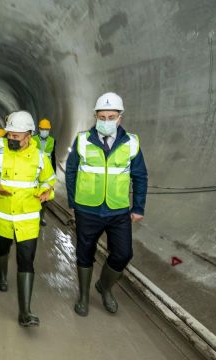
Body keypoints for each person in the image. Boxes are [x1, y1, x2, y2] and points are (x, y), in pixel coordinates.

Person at [65, 92, 148, 317]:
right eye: (102, 117)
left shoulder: (131, 143)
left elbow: (140, 175)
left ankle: (104, 286)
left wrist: (138, 207)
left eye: (111, 117)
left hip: (118, 209)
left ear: (120, 117)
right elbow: (71, 171)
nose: (106, 121)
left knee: (123, 254)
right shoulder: (83, 140)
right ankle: (83, 296)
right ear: (95, 117)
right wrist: (73, 202)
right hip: (87, 209)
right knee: (85, 253)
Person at [0, 111, 56, 327]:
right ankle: (1, 275)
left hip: (28, 219)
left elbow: (49, 181)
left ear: (29, 136)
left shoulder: (40, 158)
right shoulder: (0, 154)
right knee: (2, 248)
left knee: (26, 260)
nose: (11, 139)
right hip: (3, 217)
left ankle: (25, 312)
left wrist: (46, 193)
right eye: (9, 135)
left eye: (16, 136)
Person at [33, 118, 57, 226]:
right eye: (43, 129)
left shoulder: (52, 141)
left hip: (46, 173)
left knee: (46, 196)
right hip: (34, 172)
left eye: (46, 129)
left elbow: (53, 157)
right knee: (34, 195)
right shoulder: (32, 140)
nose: (44, 131)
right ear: (39, 129)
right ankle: (33, 216)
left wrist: (54, 172)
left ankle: (41, 217)